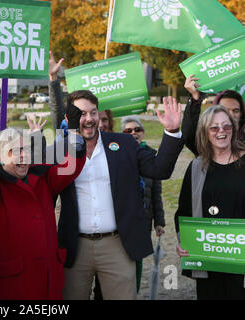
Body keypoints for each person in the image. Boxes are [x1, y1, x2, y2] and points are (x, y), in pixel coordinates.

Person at [49, 52, 184, 300]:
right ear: (71, 118)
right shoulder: (61, 151)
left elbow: (159, 170)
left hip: (117, 246)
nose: (88, 119)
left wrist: (172, 132)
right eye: (81, 114)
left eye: (93, 112)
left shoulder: (124, 144)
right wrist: (53, 82)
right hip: (74, 246)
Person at [0, 107, 87, 299]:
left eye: (27, 150)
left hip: (47, 281)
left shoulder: (42, 178)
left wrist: (73, 131)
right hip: (11, 284)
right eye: (16, 151)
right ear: (0, 156)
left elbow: (69, 169)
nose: (24, 156)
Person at [175, 105, 245, 300]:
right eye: (214, 128)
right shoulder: (197, 166)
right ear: (205, 132)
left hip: (242, 261)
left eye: (226, 126)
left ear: (234, 128)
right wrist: (183, 241)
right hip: (209, 259)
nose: (221, 131)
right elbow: (184, 210)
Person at [121, 116, 166, 293]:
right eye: (128, 131)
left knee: (138, 259)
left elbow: (156, 192)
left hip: (144, 217)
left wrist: (159, 221)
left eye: (137, 129)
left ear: (143, 132)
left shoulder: (151, 155)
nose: (133, 133)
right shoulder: (118, 154)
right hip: (123, 217)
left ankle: (134, 292)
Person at [182, 74, 245, 155]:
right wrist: (195, 97)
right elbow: (189, 136)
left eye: (236, 110)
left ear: (241, 114)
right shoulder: (206, 143)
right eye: (224, 109)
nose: (231, 115)